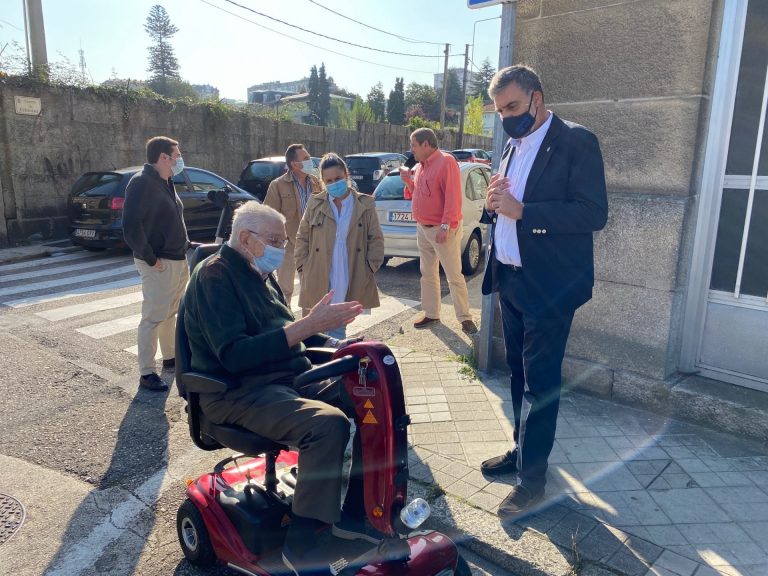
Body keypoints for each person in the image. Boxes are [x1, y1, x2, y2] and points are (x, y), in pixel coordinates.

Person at [183, 201, 381, 575]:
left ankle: (351, 515)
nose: (283, 248)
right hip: (237, 391)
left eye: (284, 240)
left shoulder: (259, 274)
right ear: (245, 238)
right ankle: (302, 543)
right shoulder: (216, 277)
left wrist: (342, 346)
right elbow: (235, 356)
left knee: (368, 397)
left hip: (284, 379)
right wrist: (306, 326)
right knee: (328, 425)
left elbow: (287, 334)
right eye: (275, 240)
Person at [479, 65, 608, 519]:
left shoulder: (576, 141)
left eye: (512, 107)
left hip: (551, 285)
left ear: (537, 97)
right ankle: (520, 452)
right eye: (498, 111)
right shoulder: (513, 147)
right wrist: (493, 205)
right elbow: (507, 209)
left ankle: (532, 481)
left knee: (540, 383)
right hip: (512, 279)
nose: (506, 117)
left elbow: (593, 213)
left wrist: (524, 209)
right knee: (517, 374)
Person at [123, 136, 190, 392]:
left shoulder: (166, 181)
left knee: (169, 313)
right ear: (163, 157)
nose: (180, 159)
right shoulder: (141, 183)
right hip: (159, 262)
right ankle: (147, 372)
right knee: (152, 317)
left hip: (177, 258)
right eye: (177, 155)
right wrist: (151, 258)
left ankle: (170, 357)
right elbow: (131, 226)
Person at [295, 153, 385, 340]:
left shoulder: (364, 204)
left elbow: (375, 238)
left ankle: (334, 363)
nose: (333, 184)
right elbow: (302, 236)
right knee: (314, 324)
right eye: (328, 181)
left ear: (346, 175)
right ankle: (319, 363)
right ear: (323, 181)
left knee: (338, 322)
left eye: (337, 178)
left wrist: (369, 267)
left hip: (349, 269)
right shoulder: (315, 203)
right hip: (319, 270)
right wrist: (302, 266)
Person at [399, 128, 478, 335]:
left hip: (442, 229)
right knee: (427, 272)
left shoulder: (446, 161)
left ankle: (465, 318)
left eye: (413, 145)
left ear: (426, 144)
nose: (411, 150)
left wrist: (445, 225)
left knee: (453, 275)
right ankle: (431, 313)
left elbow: (453, 196)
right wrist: (408, 180)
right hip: (423, 228)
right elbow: (417, 194)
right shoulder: (419, 167)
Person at [264, 143, 320, 308]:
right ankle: (286, 325)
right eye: (306, 159)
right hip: (288, 245)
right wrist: (278, 241)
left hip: (313, 244)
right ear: (295, 164)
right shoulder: (278, 185)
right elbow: (269, 216)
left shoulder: (316, 182)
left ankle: (310, 331)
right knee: (284, 290)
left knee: (310, 290)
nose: (311, 161)